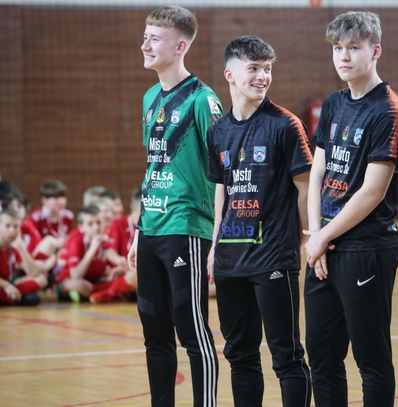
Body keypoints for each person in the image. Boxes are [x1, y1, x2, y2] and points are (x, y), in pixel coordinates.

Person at [303, 11, 398, 407]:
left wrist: (322, 237)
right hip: (325, 246)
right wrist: (316, 234)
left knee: (371, 360)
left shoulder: (389, 110)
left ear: (375, 50)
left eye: (353, 47)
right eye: (337, 48)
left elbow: (372, 192)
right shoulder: (334, 103)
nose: (343, 56)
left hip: (366, 248)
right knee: (321, 357)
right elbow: (318, 172)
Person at [206, 35, 312, 407]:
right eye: (253, 68)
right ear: (230, 75)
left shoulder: (285, 125)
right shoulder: (218, 131)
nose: (263, 76)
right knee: (240, 356)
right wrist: (214, 248)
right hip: (230, 260)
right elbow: (222, 194)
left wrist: (301, 238)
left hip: (273, 257)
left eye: (267, 69)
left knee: (287, 356)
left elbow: (305, 188)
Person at [127, 6, 222, 407]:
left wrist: (217, 237)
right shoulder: (150, 97)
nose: (145, 45)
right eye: (145, 36)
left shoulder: (203, 100)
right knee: (154, 334)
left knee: (193, 332)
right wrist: (138, 230)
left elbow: (223, 173)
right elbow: (154, 166)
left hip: (186, 228)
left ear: (180, 46)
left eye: (154, 38)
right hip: (151, 228)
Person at [55, 205, 111, 301]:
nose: (96, 227)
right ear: (81, 227)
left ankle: (92, 294)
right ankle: (106, 292)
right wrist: (92, 249)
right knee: (79, 285)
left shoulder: (107, 241)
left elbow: (109, 270)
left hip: (94, 280)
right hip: (71, 280)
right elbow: (75, 275)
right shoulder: (76, 241)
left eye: (98, 223)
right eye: (90, 224)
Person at [0, 209, 47, 305]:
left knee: (41, 279)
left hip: (7, 284)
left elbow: (34, 273)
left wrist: (21, 248)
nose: (12, 230)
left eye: (16, 226)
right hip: (3, 285)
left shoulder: (15, 245)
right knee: (31, 298)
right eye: (7, 226)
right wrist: (6, 285)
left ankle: (10, 297)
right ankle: (11, 298)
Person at [27, 179, 74, 247]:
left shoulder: (68, 216)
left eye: (63, 197)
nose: (61, 201)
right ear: (45, 200)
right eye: (56, 197)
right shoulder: (36, 218)